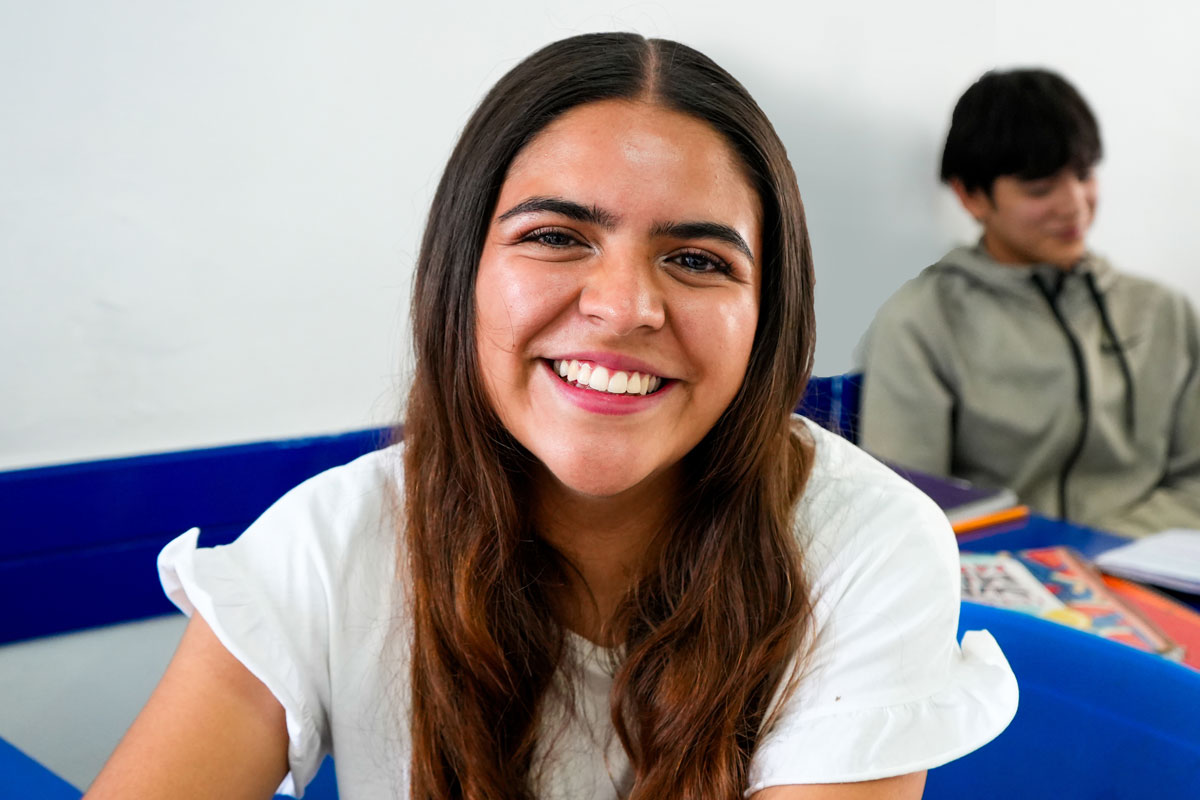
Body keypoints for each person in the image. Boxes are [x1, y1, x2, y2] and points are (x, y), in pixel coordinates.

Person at [85, 33, 1016, 800]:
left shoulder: (867, 544)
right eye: (556, 237)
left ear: (768, 315)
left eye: (697, 259)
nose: (624, 307)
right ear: (463, 277)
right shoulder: (334, 542)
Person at [860, 68, 1200, 538]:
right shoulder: (922, 322)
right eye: (1040, 189)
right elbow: (908, 512)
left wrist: (1104, 549)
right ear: (971, 196)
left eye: (1083, 175)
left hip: (1151, 567)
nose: (1074, 205)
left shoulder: (1164, 312)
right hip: (1002, 577)